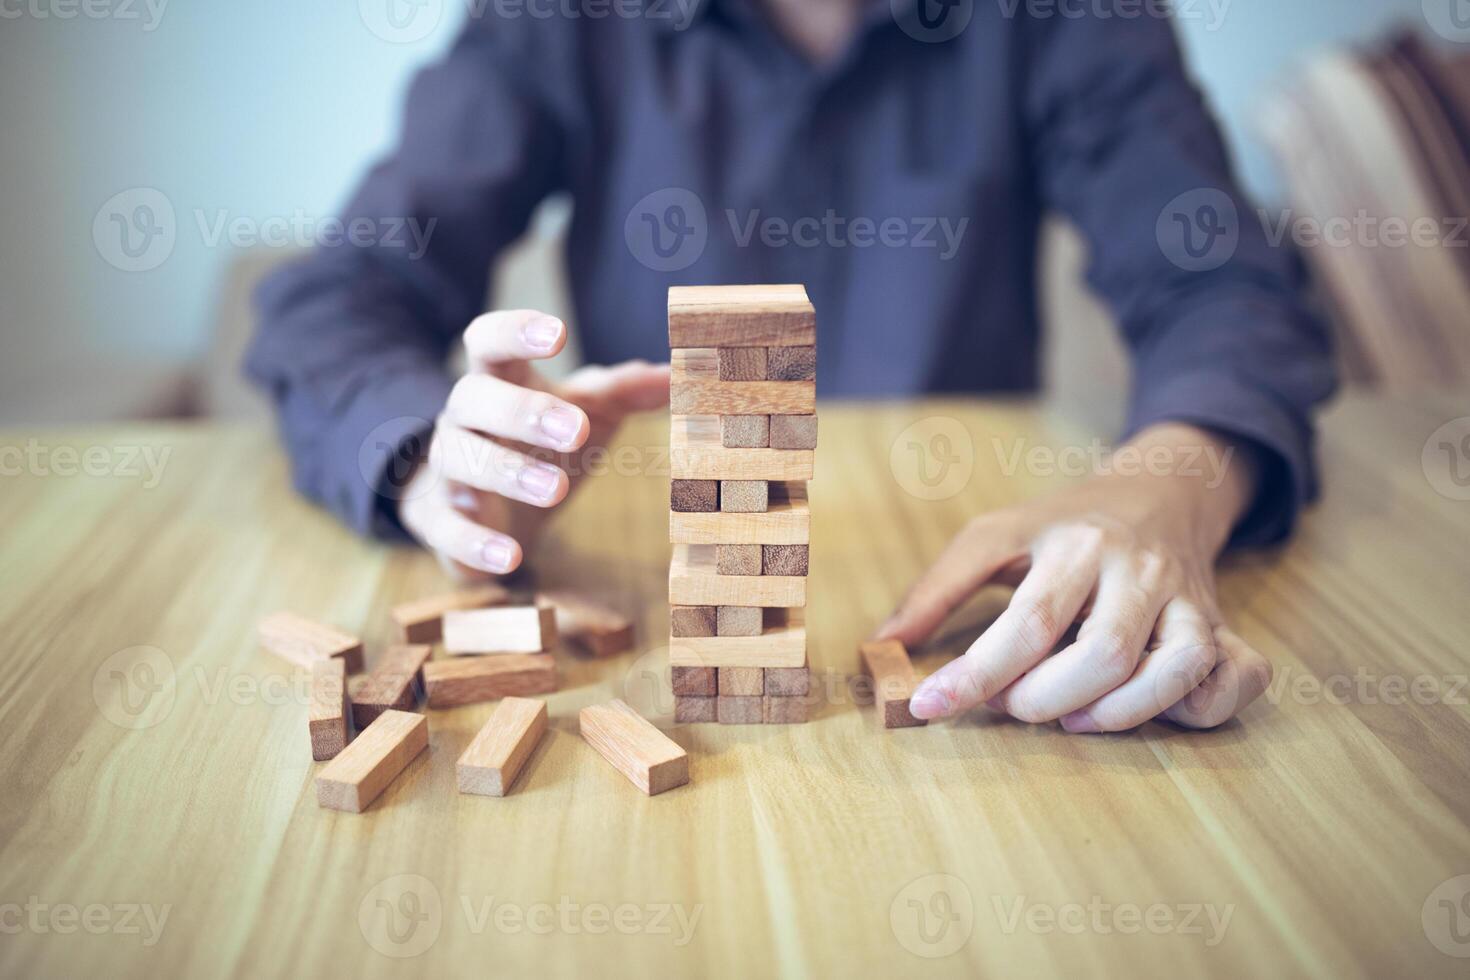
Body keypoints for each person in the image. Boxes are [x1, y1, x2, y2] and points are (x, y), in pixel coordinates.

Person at [247, 0, 1336, 731]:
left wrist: (1164, 490)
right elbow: (338, 296)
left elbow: (1227, 290)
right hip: (671, 580)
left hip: (953, 569)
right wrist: (435, 463)